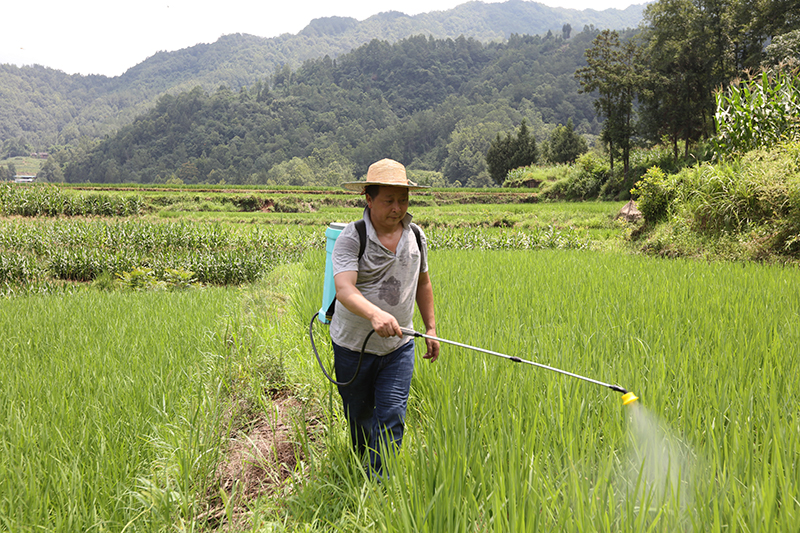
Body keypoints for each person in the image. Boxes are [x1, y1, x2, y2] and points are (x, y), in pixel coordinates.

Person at [330, 158, 440, 476]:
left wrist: (430, 327)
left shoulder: (417, 236)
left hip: (399, 347)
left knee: (392, 414)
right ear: (368, 198)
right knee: (359, 416)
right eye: (389, 200)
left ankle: (378, 485)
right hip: (353, 348)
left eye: (403, 200)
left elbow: (423, 281)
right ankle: (362, 467)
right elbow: (344, 289)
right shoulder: (353, 237)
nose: (397, 208)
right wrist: (375, 313)